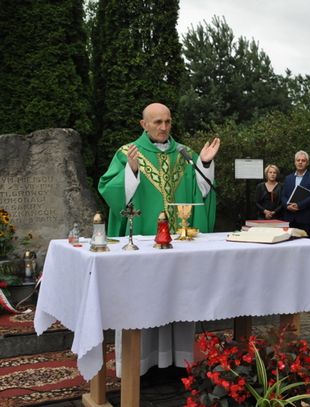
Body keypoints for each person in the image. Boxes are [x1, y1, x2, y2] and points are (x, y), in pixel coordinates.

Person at [98, 102, 220, 376]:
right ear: (144, 124)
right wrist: (132, 171)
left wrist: (206, 163)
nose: (164, 127)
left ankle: (178, 363)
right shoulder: (127, 153)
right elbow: (110, 191)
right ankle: (138, 366)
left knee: (178, 299)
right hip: (143, 247)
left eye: (167, 121)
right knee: (142, 301)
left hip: (179, 246)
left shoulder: (184, 154)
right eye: (157, 122)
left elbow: (201, 192)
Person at [281, 150, 310, 237]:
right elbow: (283, 196)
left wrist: (298, 205)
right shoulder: (288, 178)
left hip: (305, 218)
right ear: (295, 162)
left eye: (303, 160)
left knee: (306, 246)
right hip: (289, 218)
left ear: (307, 163)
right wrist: (287, 205)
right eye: (298, 160)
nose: (300, 162)